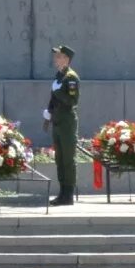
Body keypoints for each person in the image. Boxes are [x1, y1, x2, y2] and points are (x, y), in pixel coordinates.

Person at [45, 44, 81, 206]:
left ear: (67, 59)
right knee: (59, 158)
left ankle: (68, 194)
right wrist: (49, 112)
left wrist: (58, 92)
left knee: (68, 158)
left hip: (67, 122)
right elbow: (54, 99)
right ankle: (62, 192)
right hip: (58, 121)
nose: (56, 59)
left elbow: (72, 101)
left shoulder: (71, 78)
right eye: (56, 56)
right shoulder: (59, 76)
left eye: (59, 56)